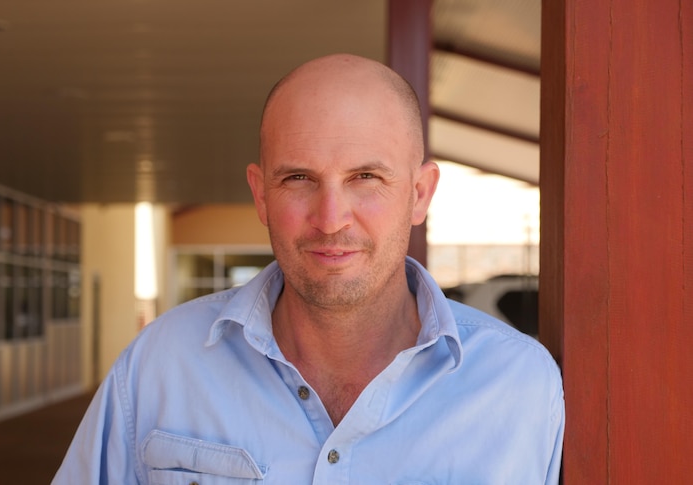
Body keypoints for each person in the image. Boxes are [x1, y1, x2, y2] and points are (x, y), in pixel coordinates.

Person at [53, 53, 564, 484]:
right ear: (260, 195)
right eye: (298, 177)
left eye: (366, 176)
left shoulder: (520, 386)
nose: (330, 218)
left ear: (419, 194)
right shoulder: (158, 367)